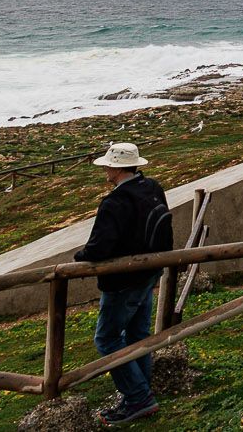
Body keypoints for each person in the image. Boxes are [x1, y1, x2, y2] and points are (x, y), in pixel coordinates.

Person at [74, 141, 171, 426]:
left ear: (115, 169)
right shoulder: (152, 187)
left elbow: (100, 246)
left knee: (107, 339)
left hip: (122, 280)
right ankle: (140, 393)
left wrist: (81, 256)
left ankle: (138, 397)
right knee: (138, 335)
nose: (105, 169)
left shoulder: (115, 201)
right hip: (149, 271)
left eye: (107, 165)